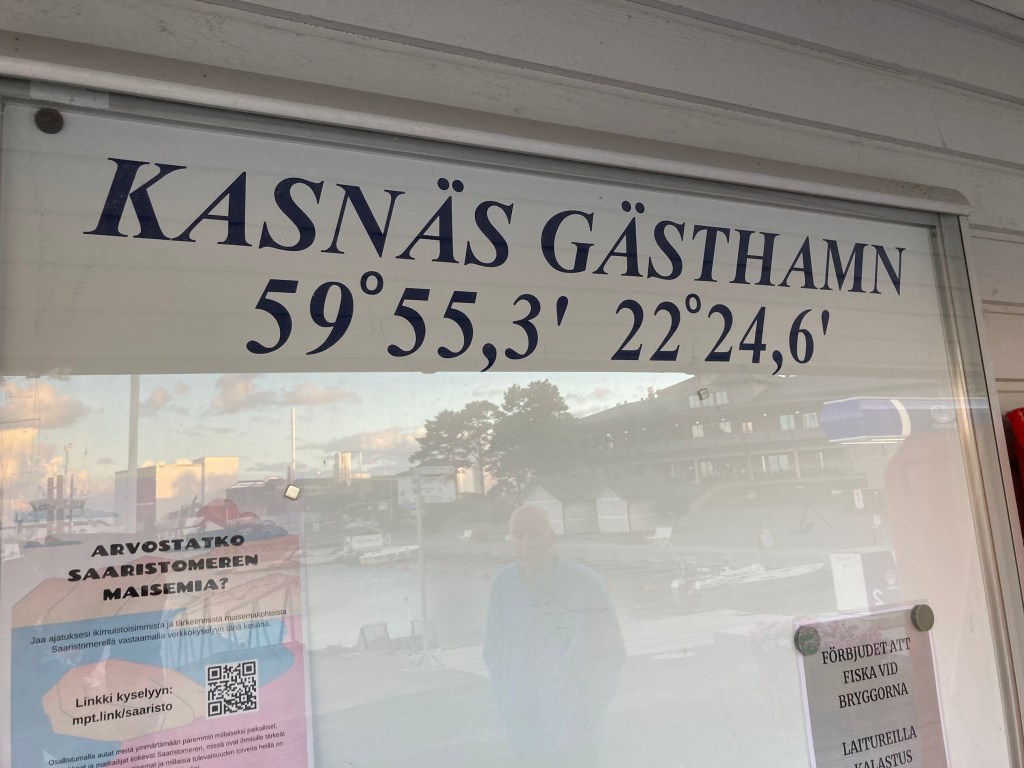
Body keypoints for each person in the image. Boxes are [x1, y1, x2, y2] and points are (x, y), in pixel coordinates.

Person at [483, 505, 626, 767]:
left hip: (578, 733)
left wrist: (588, 710)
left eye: (535, 533)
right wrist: (506, 702)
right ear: (511, 539)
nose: (527, 543)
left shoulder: (586, 583)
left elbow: (611, 654)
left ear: (551, 536)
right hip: (524, 733)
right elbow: (493, 651)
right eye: (518, 535)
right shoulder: (502, 586)